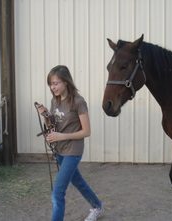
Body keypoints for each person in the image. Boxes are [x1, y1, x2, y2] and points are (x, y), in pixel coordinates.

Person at [37, 65, 103, 221]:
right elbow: (53, 126)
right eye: (50, 84)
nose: (53, 87)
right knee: (78, 182)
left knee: (57, 193)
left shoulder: (78, 102)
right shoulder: (55, 101)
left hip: (73, 151)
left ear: (66, 82)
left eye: (55, 83)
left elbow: (86, 131)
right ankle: (97, 206)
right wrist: (46, 115)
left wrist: (61, 137)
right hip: (60, 150)